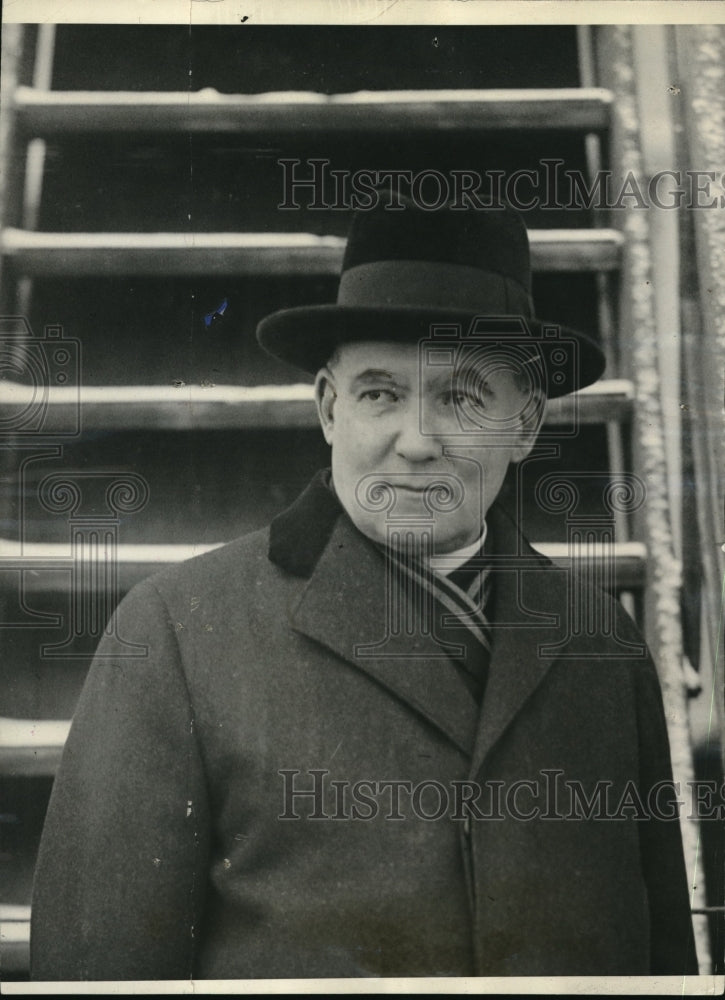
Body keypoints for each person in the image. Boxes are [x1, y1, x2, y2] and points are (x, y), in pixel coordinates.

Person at [30, 193, 698, 980]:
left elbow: (663, 968)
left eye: (461, 397)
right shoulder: (177, 630)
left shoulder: (603, 647)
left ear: (525, 425)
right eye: (381, 393)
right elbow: (96, 973)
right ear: (328, 408)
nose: (415, 442)